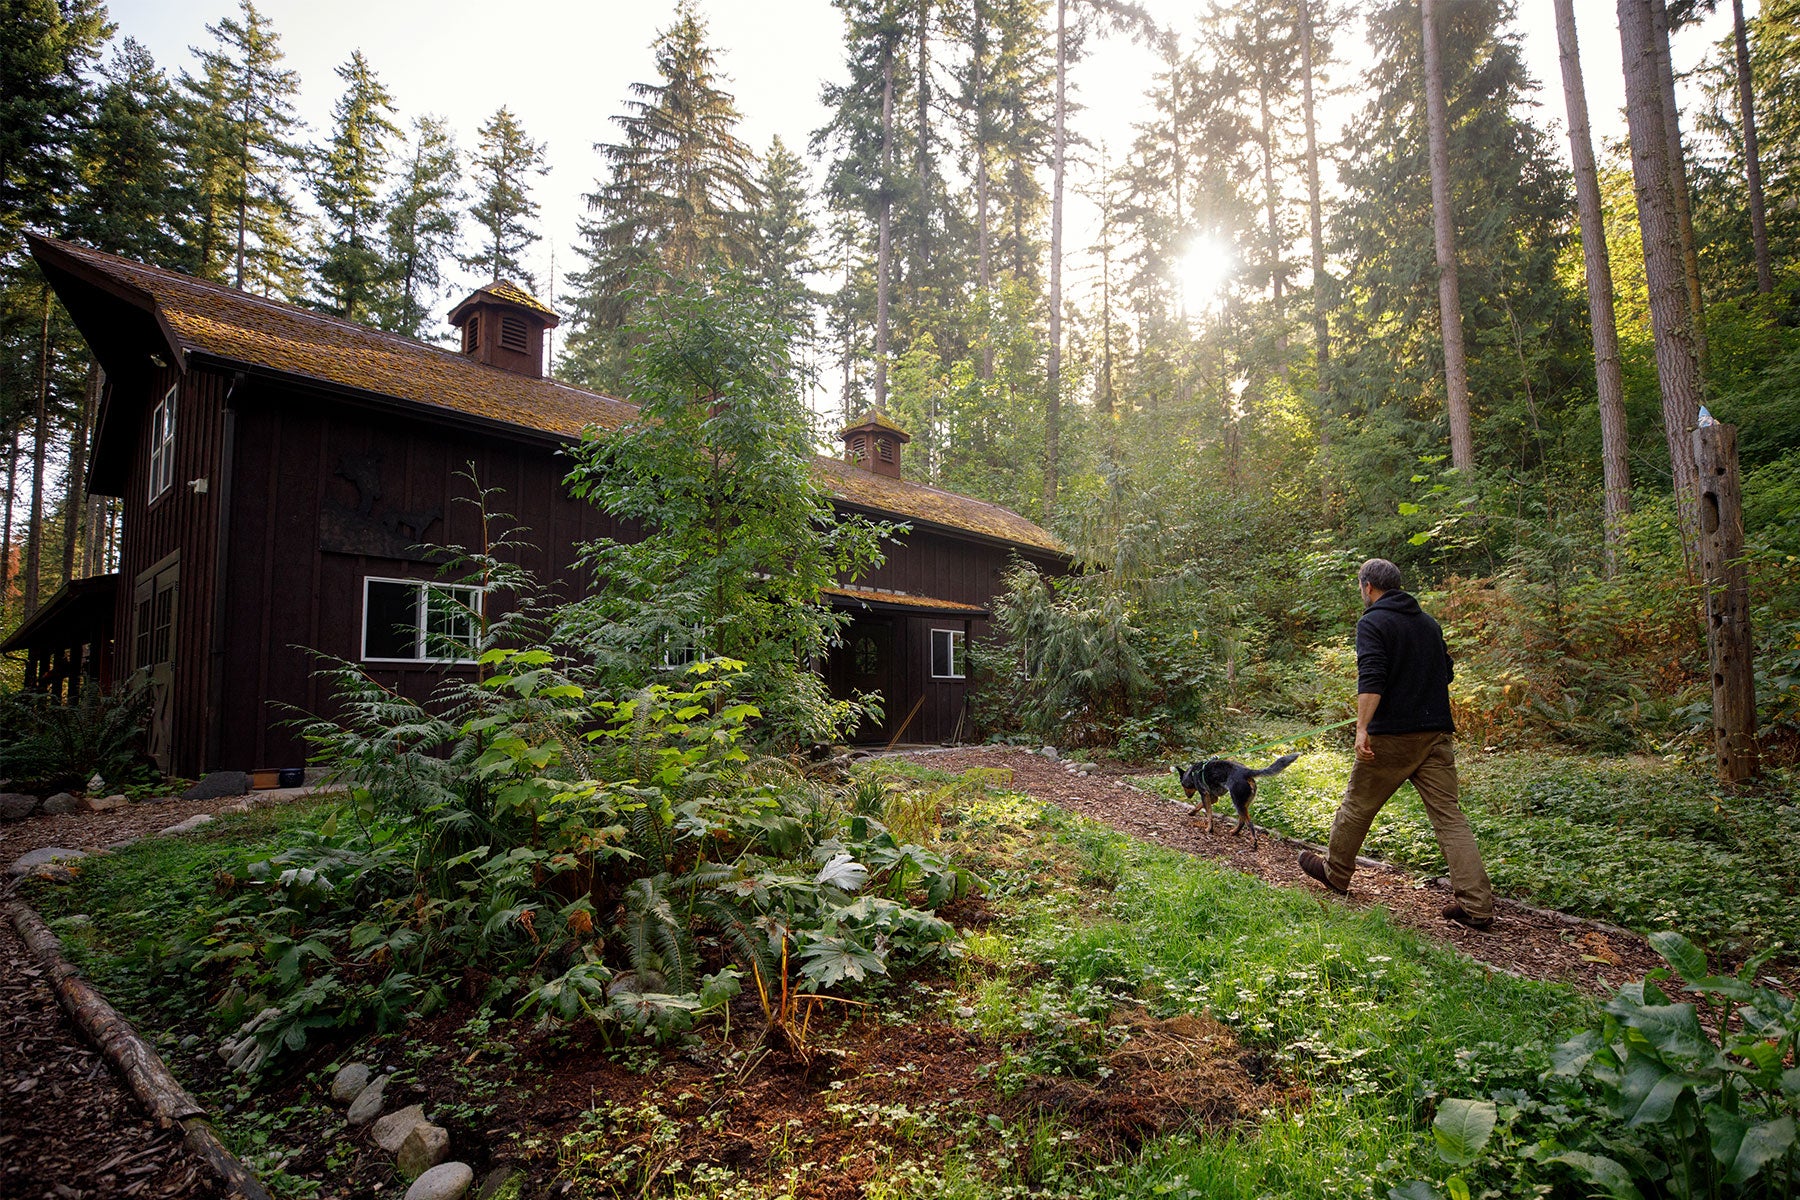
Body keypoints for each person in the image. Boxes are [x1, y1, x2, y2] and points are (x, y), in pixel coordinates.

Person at [1297, 558, 1495, 930]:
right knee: (1450, 819)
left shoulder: (1372, 622)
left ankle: (1335, 874)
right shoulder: (1428, 623)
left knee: (1357, 805)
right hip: (1435, 734)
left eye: (1360, 587)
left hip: (1391, 738)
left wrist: (1362, 728)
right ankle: (1477, 905)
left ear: (1368, 587)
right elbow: (1446, 671)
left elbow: (1372, 677)